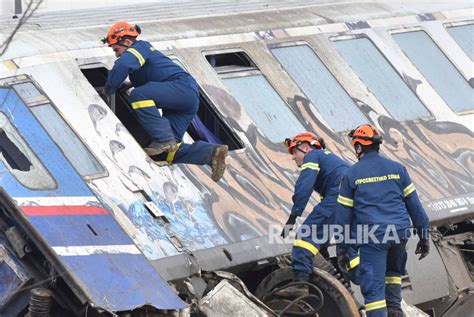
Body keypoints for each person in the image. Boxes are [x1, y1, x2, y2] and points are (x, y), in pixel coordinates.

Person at [102, 21, 227, 182]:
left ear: (127, 42)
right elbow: (156, 73)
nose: (117, 54)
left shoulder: (139, 48)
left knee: (139, 96)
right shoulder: (143, 55)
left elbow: (123, 64)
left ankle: (163, 138)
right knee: (168, 151)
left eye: (117, 50)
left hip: (181, 89)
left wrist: (108, 89)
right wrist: (130, 83)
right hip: (186, 98)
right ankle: (211, 153)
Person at [337, 124, 430, 317]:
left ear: (358, 147)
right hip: (399, 234)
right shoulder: (398, 169)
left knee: (374, 293)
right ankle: (395, 311)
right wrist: (424, 236)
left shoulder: (351, 175)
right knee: (393, 276)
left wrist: (343, 247)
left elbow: (343, 218)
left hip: (374, 237)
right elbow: (416, 207)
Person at [277, 131, 350, 297]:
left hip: (338, 198)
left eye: (294, 152)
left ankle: (300, 285)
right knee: (322, 244)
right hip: (351, 203)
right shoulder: (330, 160)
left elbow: (304, 188)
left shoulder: (313, 157)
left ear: (305, 147)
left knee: (305, 237)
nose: (293, 158)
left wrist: (293, 217)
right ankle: (342, 286)